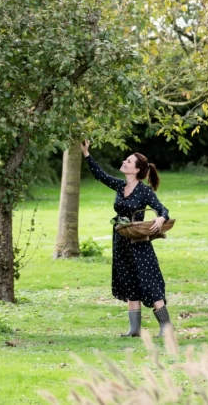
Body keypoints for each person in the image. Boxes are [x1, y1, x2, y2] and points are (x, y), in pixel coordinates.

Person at [80, 139, 173, 338]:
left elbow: (162, 209)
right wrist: (87, 154)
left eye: (128, 161)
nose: (124, 162)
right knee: (129, 282)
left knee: (149, 283)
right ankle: (134, 329)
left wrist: (160, 217)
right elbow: (100, 176)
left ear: (136, 170)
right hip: (121, 242)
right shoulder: (120, 186)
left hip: (139, 244)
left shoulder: (145, 191)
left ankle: (166, 327)